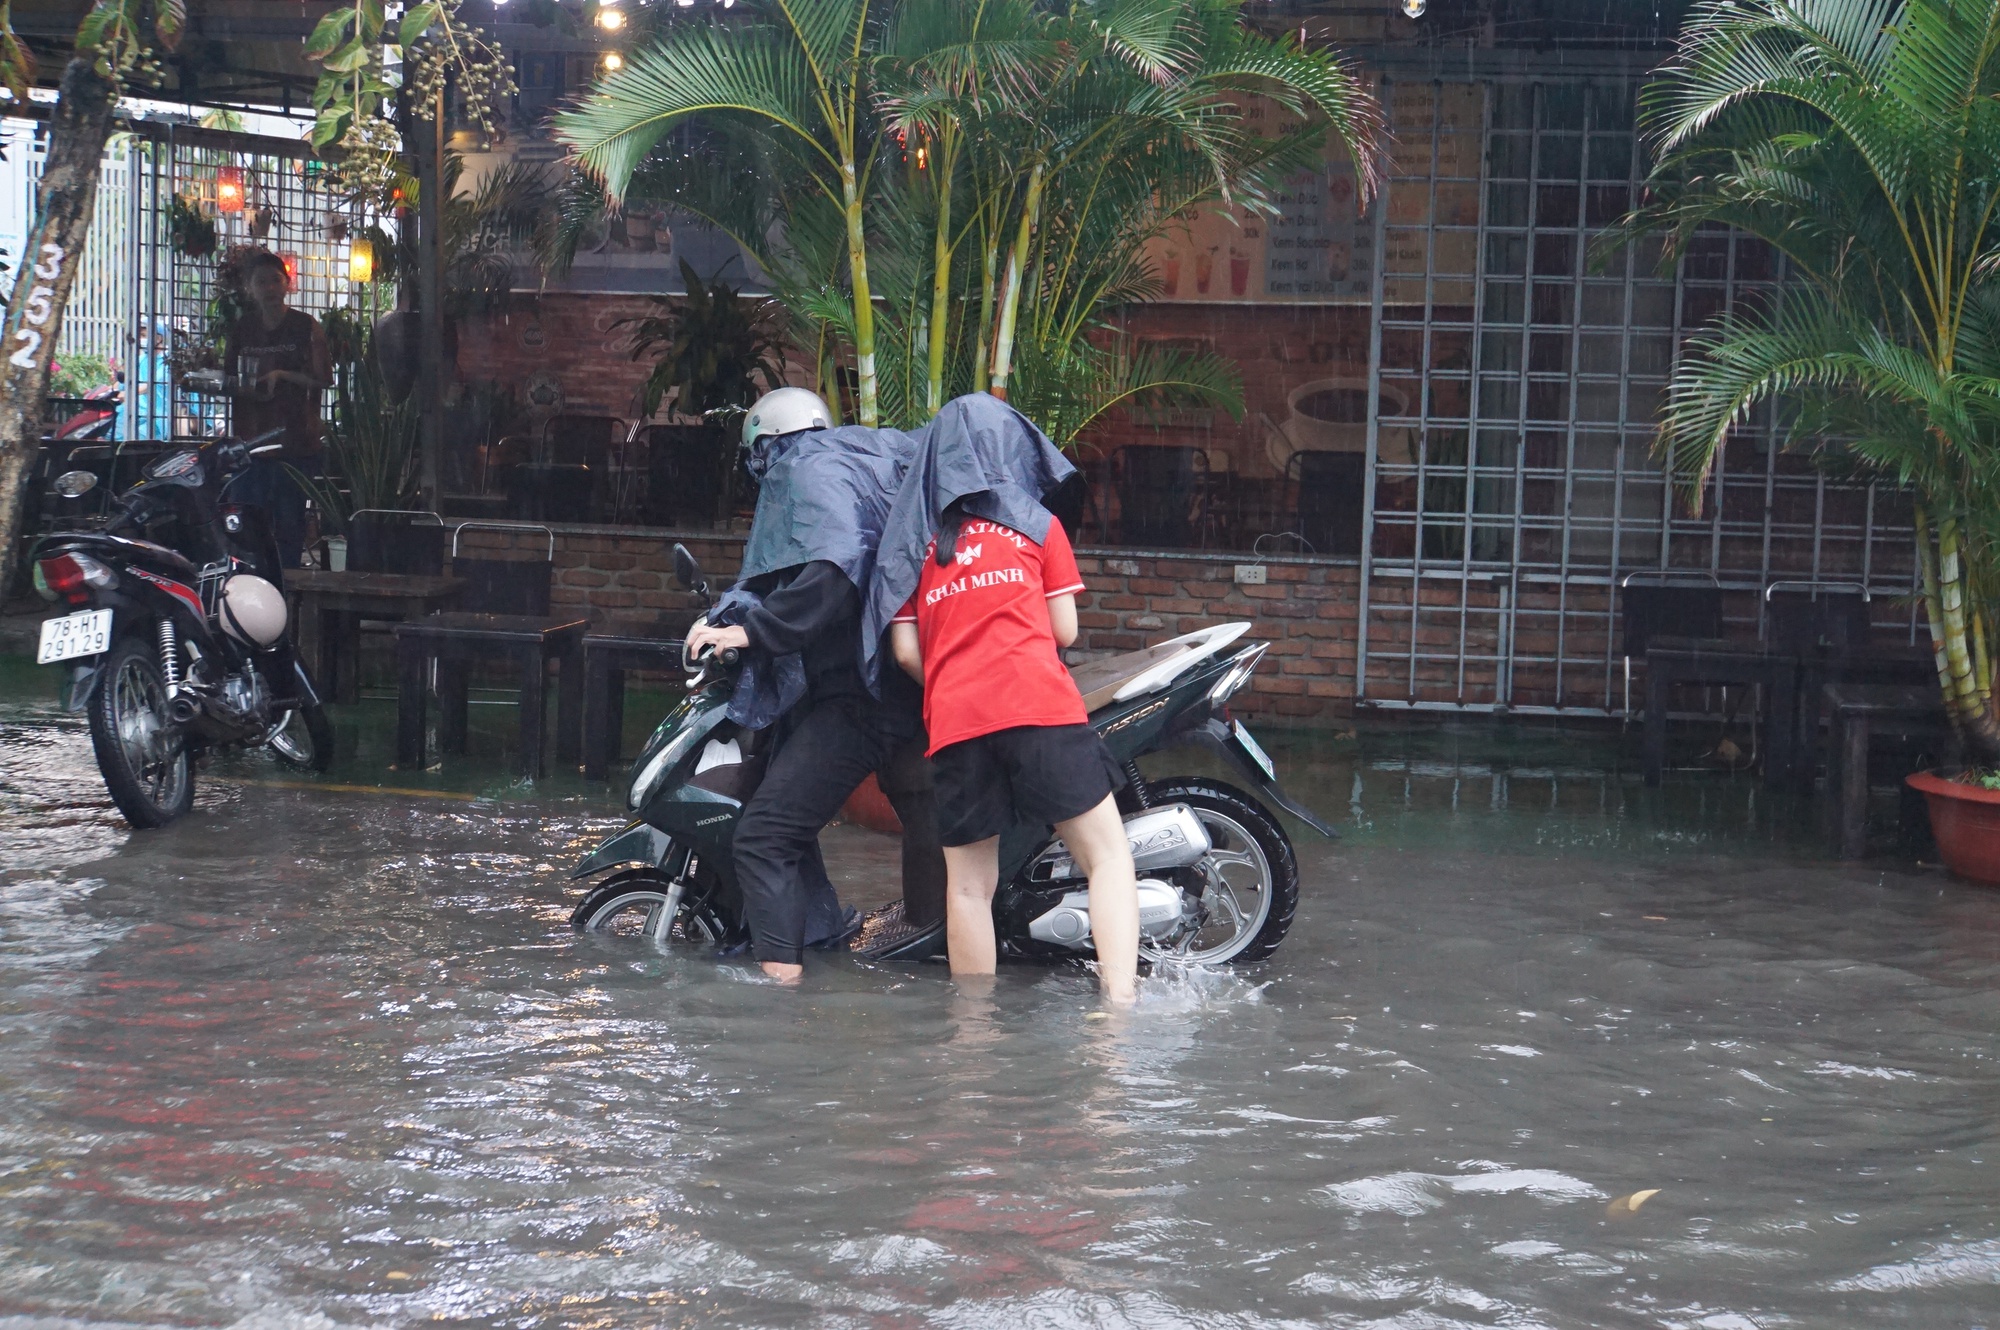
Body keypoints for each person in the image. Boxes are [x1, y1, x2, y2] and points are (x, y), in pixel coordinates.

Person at [682, 387, 946, 984]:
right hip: (906, 682)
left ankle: (779, 996)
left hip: (862, 695)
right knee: (882, 801)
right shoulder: (870, 457)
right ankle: (835, 927)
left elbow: (832, 568)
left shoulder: (802, 466)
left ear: (764, 446)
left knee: (764, 836)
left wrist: (753, 632)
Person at [888, 502, 1138, 1004]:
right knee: (1107, 857)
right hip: (1037, 704)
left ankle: (973, 1048)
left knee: (968, 891)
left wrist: (953, 681)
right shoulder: (1037, 523)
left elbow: (906, 653)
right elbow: (1063, 631)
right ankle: (1118, 1016)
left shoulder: (910, 544)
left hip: (957, 722)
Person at [224, 250, 330, 567]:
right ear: (249, 288)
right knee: (247, 531)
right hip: (250, 448)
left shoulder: (306, 327)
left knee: (290, 530)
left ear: (287, 285)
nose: (269, 288)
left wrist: (282, 376)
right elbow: (228, 378)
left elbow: (324, 378)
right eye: (261, 282)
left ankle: (289, 598)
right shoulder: (242, 330)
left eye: (275, 280)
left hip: (295, 445)